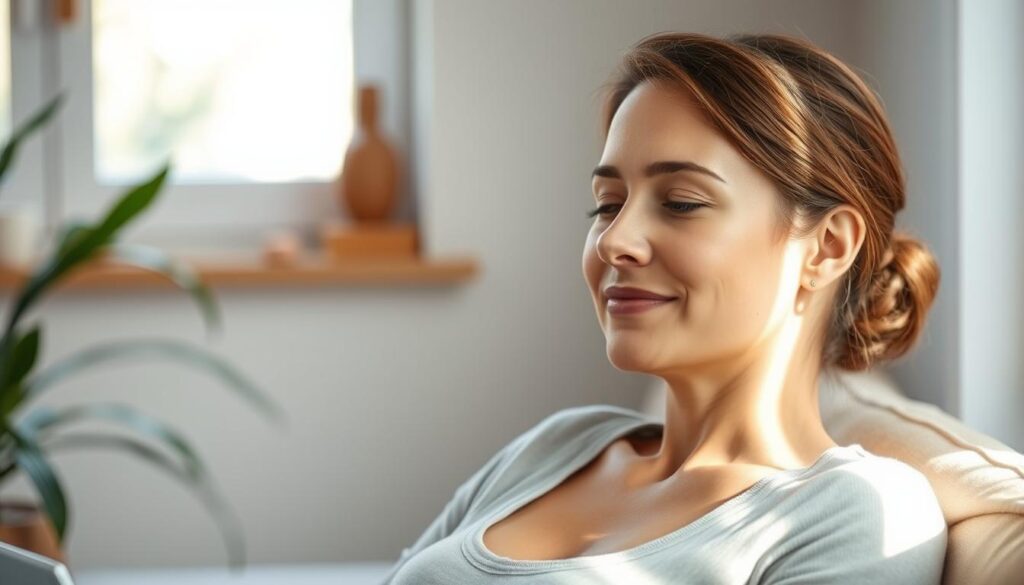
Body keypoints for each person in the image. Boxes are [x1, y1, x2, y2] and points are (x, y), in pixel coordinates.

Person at [381, 31, 948, 584]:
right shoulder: (556, 447)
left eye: (681, 203)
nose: (613, 240)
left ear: (827, 247)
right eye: (608, 205)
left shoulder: (860, 513)